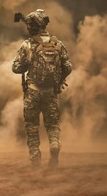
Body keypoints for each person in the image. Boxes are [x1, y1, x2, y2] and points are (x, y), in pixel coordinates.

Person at [12, 9, 72, 167]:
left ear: (33, 27)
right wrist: (59, 81)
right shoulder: (57, 44)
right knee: (52, 124)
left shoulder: (27, 45)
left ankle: (35, 159)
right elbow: (68, 66)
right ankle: (54, 144)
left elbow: (16, 68)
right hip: (50, 93)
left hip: (32, 92)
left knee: (32, 126)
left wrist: (28, 64)